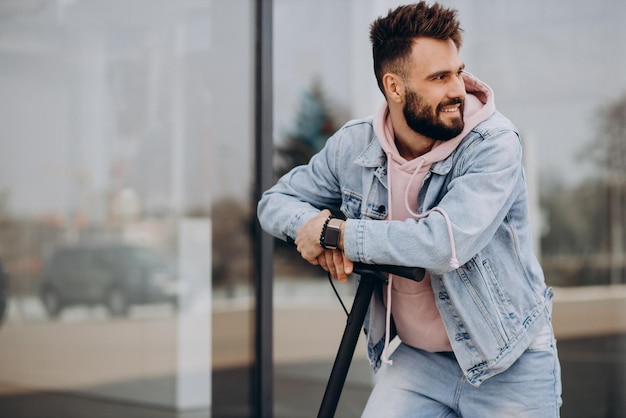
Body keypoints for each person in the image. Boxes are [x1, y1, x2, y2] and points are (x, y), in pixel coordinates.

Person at [258, 2, 562, 416]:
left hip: (508, 361)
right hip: (418, 362)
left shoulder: (493, 144)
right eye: (439, 78)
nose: (458, 89)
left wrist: (337, 235)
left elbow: (442, 244)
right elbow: (273, 202)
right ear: (395, 87)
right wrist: (311, 223)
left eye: (458, 71)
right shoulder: (354, 146)